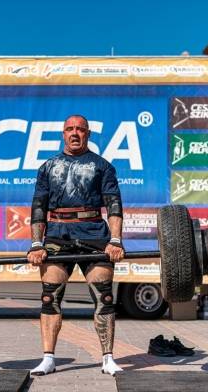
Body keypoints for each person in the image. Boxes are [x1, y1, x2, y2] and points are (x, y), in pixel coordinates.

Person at [27, 114, 125, 376]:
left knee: (104, 297)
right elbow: (38, 208)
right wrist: (36, 244)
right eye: (70, 129)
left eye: (80, 129)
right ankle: (48, 358)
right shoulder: (48, 167)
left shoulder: (103, 166)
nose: (74, 133)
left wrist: (115, 240)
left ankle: (108, 359)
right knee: (49, 297)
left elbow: (114, 205)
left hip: (94, 233)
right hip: (58, 235)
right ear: (63, 134)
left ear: (87, 134)